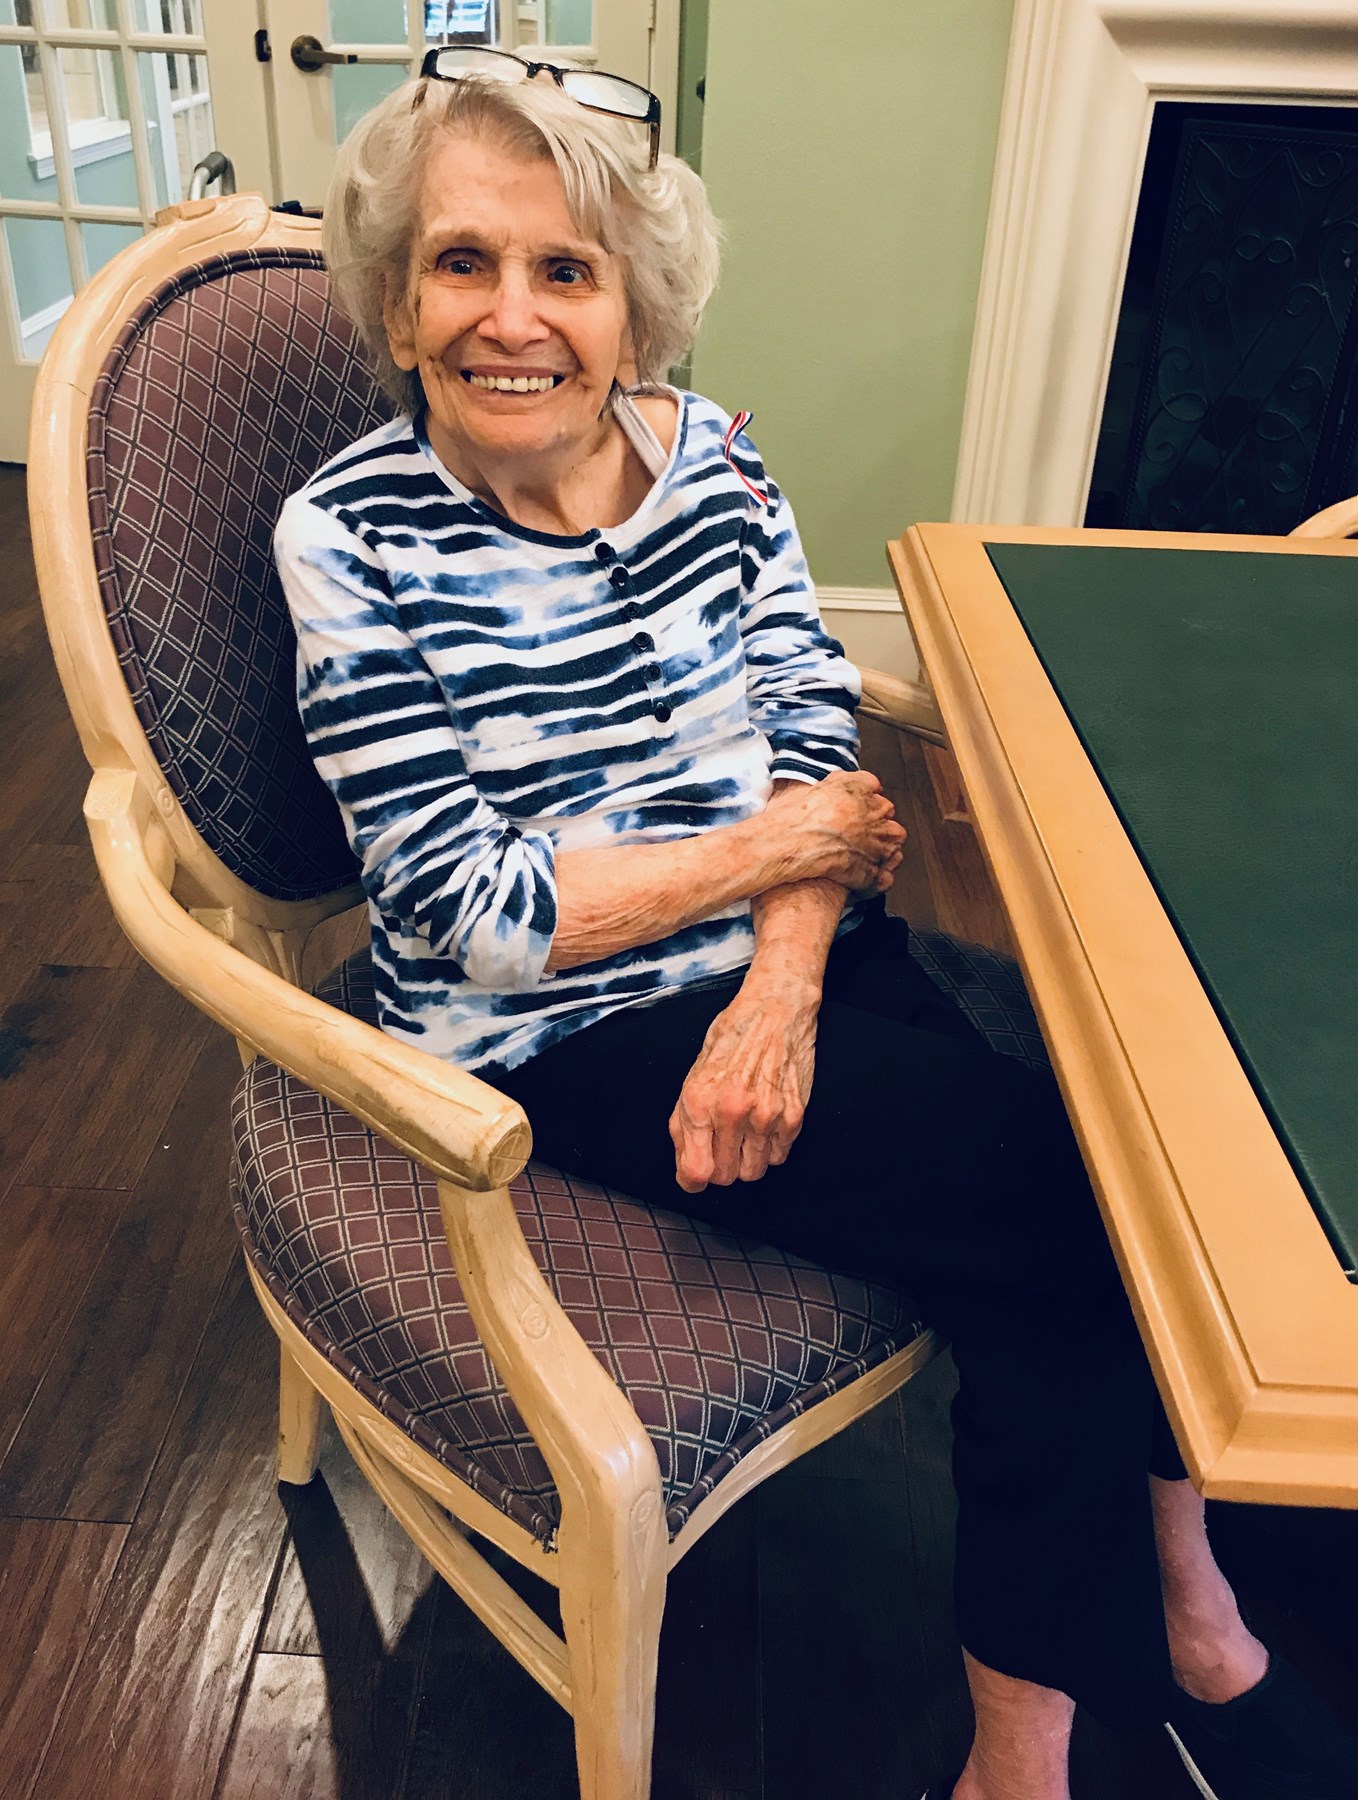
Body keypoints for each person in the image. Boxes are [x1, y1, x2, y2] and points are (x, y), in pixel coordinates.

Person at [273, 50, 1354, 1800]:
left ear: (633, 310)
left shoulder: (709, 455)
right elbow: (472, 912)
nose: (512, 317)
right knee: (1080, 1218)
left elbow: (801, 714)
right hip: (564, 1029)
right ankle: (1131, 1666)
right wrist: (787, 849)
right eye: (461, 262)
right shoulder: (346, 536)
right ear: (398, 305)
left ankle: (1137, 1646)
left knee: (1120, 1185)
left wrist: (779, 981)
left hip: (787, 955)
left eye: (565, 269)